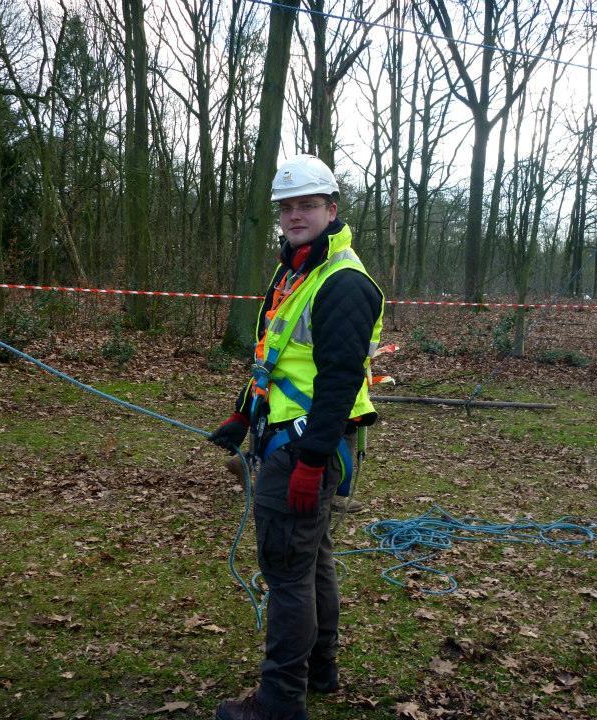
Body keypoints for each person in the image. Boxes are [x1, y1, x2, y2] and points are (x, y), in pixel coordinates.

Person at [209, 154, 384, 720]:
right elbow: (275, 357)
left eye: (307, 204)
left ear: (332, 209)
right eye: (287, 207)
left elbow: (338, 378)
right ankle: (320, 671)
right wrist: (242, 414)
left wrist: (310, 461)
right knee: (312, 562)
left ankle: (279, 701)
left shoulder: (342, 281)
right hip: (289, 436)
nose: (295, 214)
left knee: (287, 573)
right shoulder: (294, 273)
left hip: (306, 446)